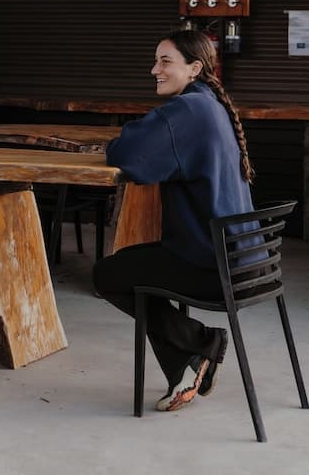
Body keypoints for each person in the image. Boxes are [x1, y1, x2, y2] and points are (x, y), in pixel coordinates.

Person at [93, 28, 256, 413]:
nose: (155, 70)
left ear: (194, 68)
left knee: (108, 274)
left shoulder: (188, 110)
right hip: (245, 261)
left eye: (165, 61)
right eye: (155, 61)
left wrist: (117, 144)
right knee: (130, 266)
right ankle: (189, 362)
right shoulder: (211, 104)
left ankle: (202, 343)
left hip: (213, 267)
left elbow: (128, 153)